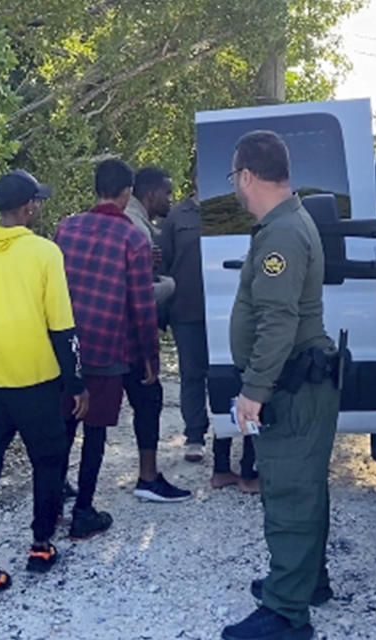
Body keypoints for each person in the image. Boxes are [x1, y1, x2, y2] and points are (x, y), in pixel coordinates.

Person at [220, 132, 342, 640]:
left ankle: (287, 614)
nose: (236, 189)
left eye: (235, 179)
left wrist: (254, 389)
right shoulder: (286, 223)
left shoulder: (282, 233)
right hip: (299, 382)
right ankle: (306, 580)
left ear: (247, 175)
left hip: (292, 385)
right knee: (304, 487)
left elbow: (277, 319)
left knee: (290, 491)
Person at [0, 170, 88, 601]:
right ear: (28, 207)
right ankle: (41, 546)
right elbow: (62, 327)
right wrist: (77, 383)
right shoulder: (45, 254)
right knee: (49, 465)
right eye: (37, 203)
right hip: (38, 384)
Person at [55, 158, 190, 538]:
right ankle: (83, 512)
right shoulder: (131, 237)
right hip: (110, 347)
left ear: (97, 188)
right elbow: (142, 304)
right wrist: (150, 356)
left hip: (69, 347)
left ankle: (50, 509)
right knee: (95, 433)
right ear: (128, 191)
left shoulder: (66, 228)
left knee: (64, 426)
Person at [160, 167, 257, 492]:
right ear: (195, 179)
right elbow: (165, 263)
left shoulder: (233, 210)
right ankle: (194, 436)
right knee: (192, 374)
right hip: (187, 310)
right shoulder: (177, 217)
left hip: (228, 308)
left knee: (230, 375)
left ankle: (234, 439)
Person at [125, 167, 176, 310]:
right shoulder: (137, 228)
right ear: (151, 194)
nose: (170, 200)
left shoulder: (132, 218)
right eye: (167, 194)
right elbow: (140, 291)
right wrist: (168, 286)